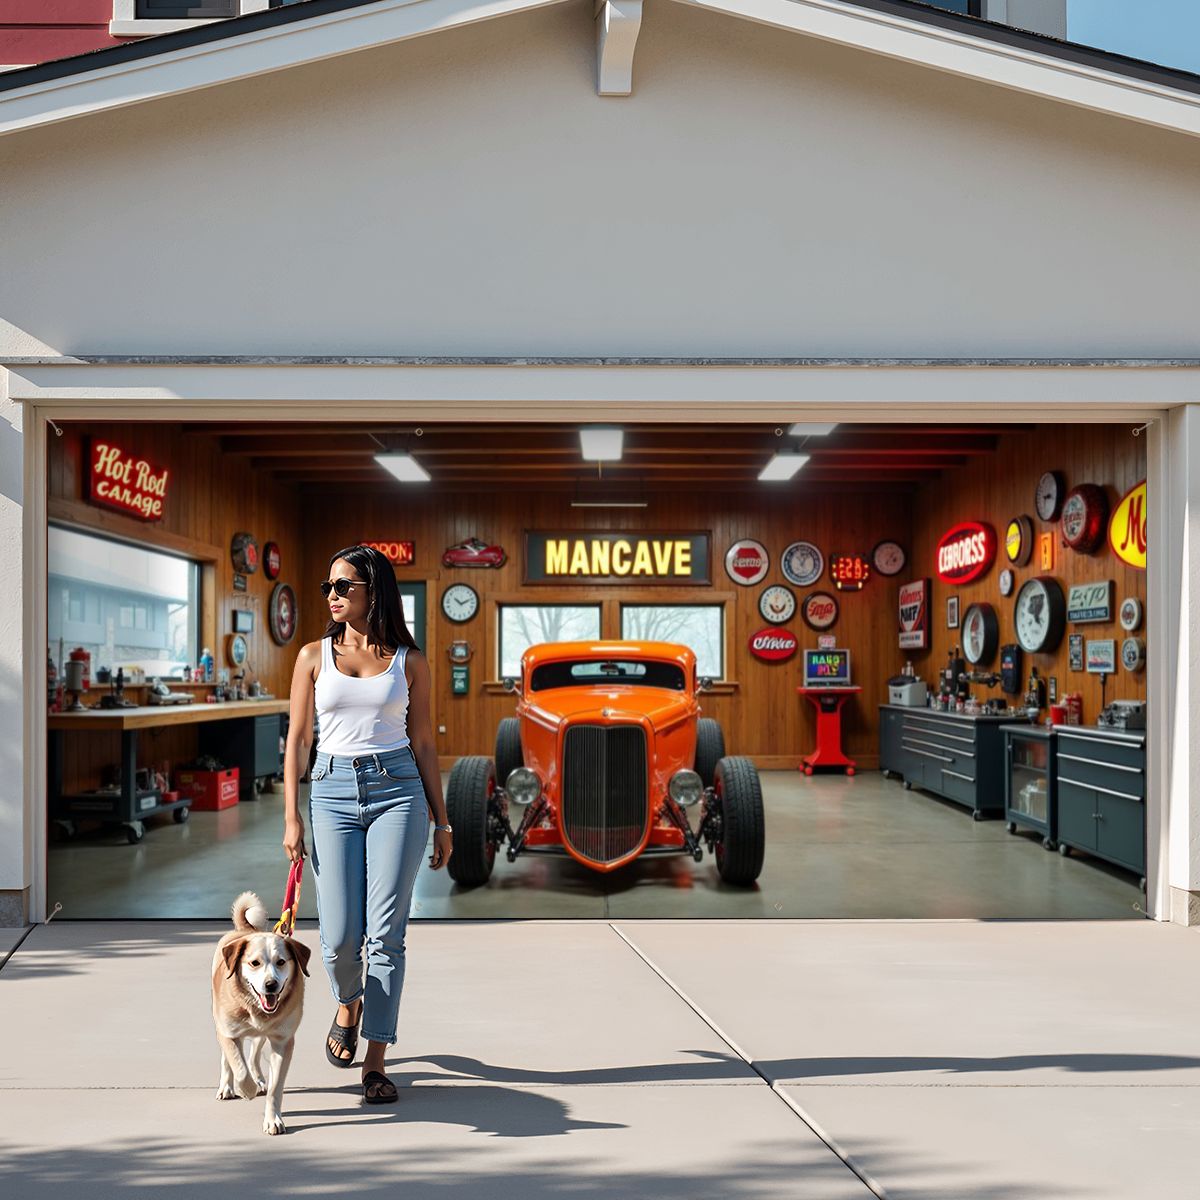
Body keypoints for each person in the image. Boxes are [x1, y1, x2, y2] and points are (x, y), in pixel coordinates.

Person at [282, 544, 453, 1104]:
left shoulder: (410, 660)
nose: (331, 596)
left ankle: (376, 1059)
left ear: (372, 592)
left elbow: (424, 740)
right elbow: (300, 740)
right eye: (328, 586)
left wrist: (443, 819)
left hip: (397, 791)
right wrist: (291, 815)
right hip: (330, 791)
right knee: (336, 940)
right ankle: (348, 1001)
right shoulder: (312, 656)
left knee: (385, 934)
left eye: (343, 586)